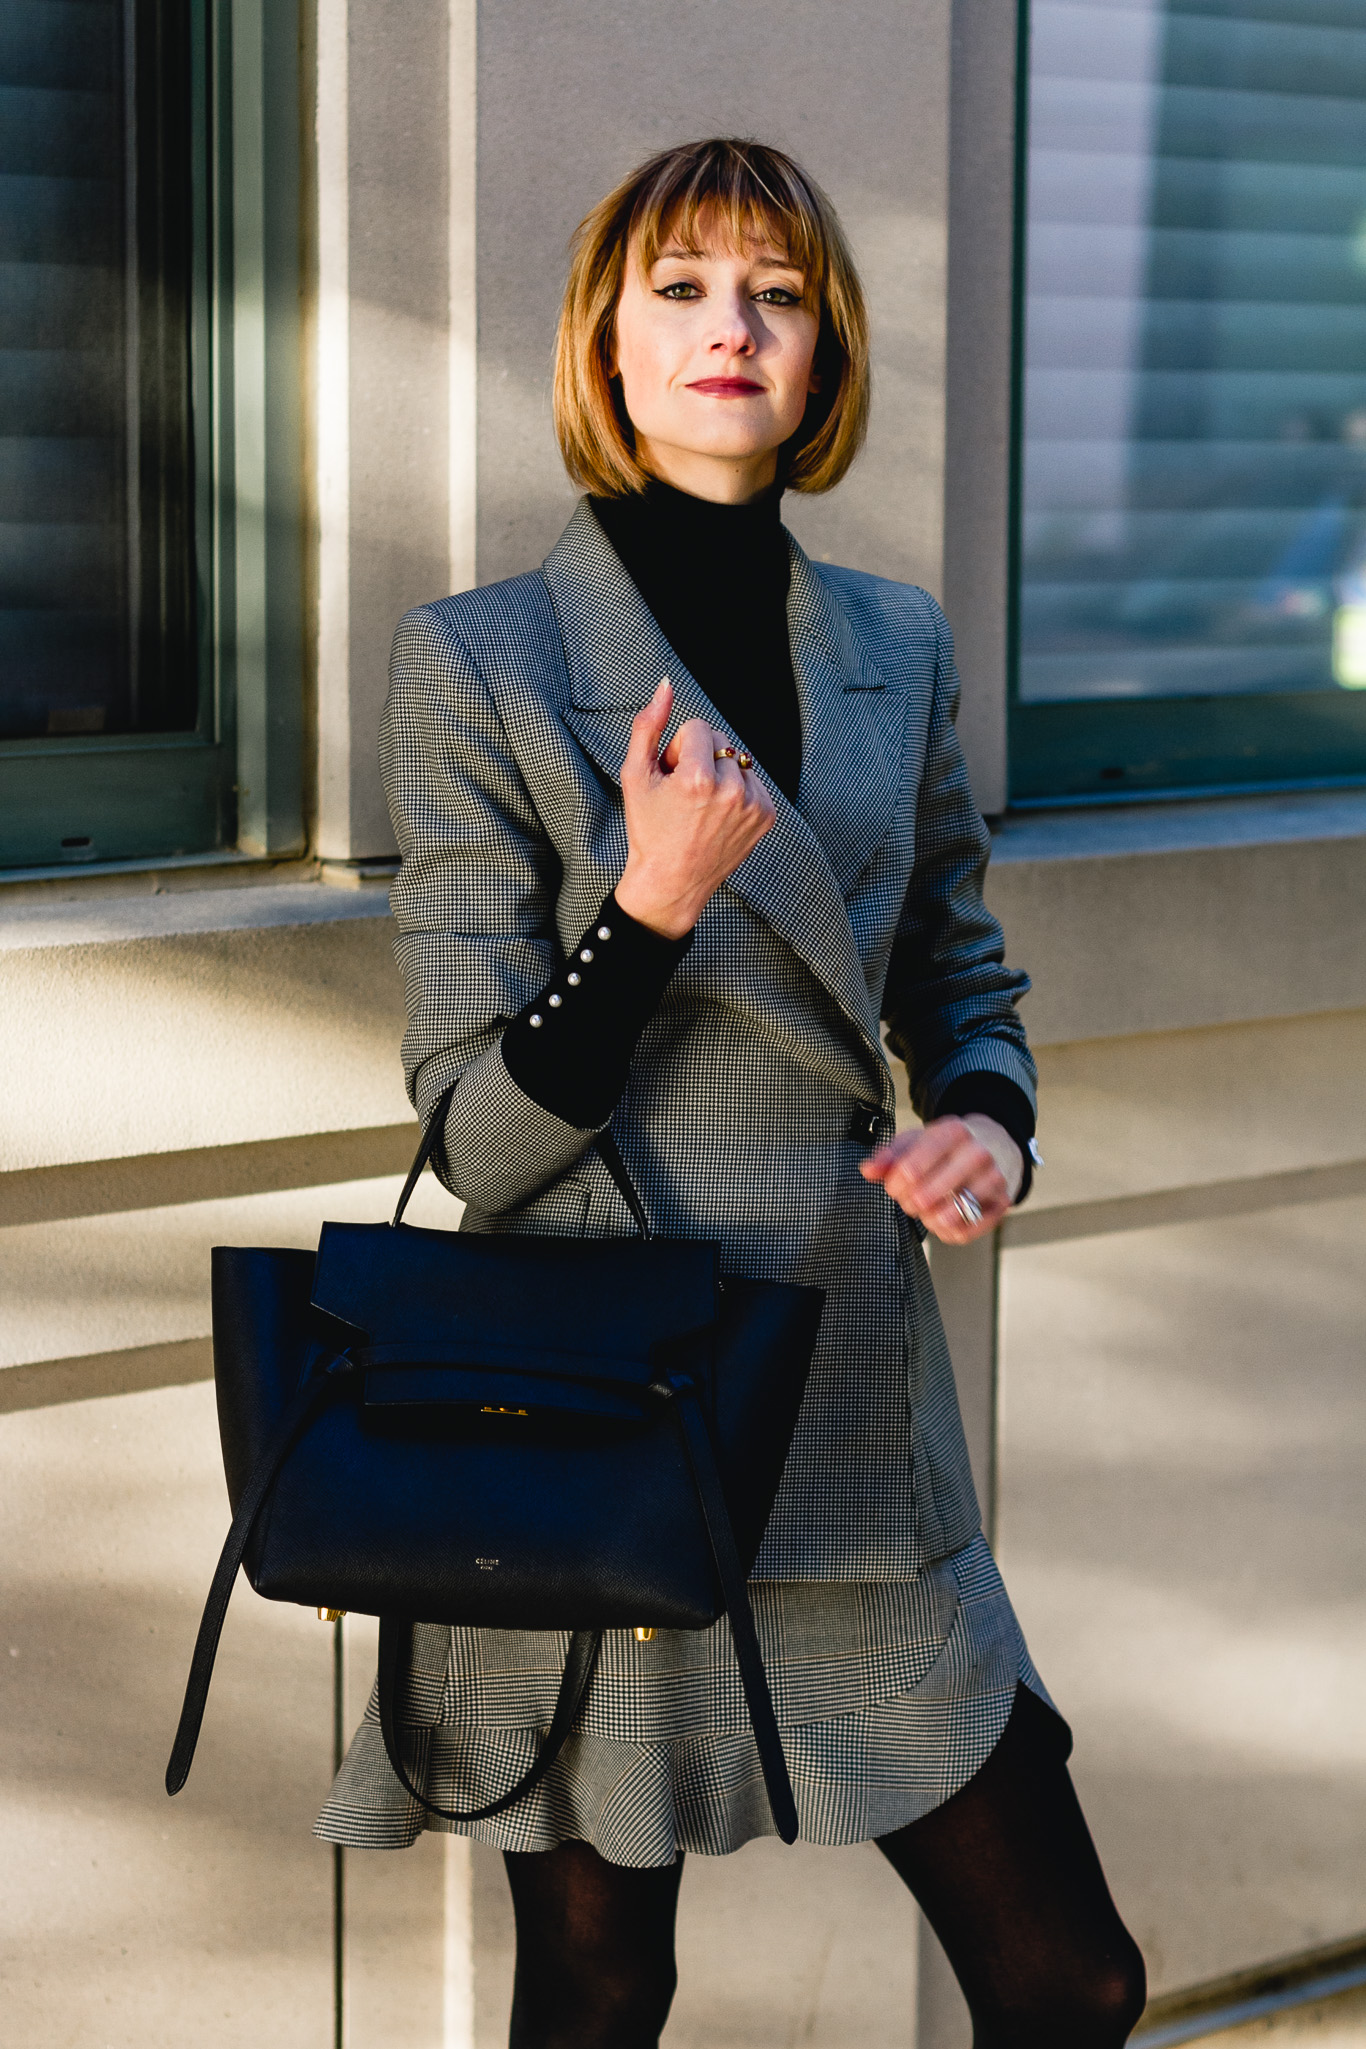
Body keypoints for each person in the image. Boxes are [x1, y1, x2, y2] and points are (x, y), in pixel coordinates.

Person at [318, 138, 1146, 2048]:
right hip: (598, 1402)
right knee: (603, 1984)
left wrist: (992, 1120)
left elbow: (957, 968)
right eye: (679, 288)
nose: (727, 327)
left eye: (771, 291)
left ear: (819, 346)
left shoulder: (893, 643)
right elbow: (475, 1129)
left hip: (846, 1395)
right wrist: (649, 909)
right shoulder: (485, 662)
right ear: (606, 345)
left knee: (1065, 1973)